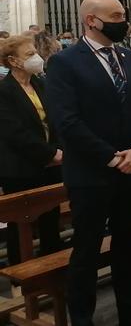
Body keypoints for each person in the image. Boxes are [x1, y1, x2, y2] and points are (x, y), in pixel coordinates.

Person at [45, 0, 131, 326]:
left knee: (128, 243)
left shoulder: (127, 57)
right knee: (87, 249)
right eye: (116, 15)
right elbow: (67, 122)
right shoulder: (65, 62)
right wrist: (111, 158)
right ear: (91, 20)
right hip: (91, 174)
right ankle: (82, 318)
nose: (123, 21)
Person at [0, 35, 63, 264]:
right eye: (29, 55)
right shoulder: (4, 91)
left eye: (34, 52)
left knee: (50, 218)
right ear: (13, 61)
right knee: (20, 225)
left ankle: (53, 265)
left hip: (51, 165)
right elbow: (14, 133)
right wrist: (49, 153)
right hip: (21, 167)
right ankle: (21, 274)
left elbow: (54, 120)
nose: (36, 58)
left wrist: (57, 150)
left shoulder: (40, 83)